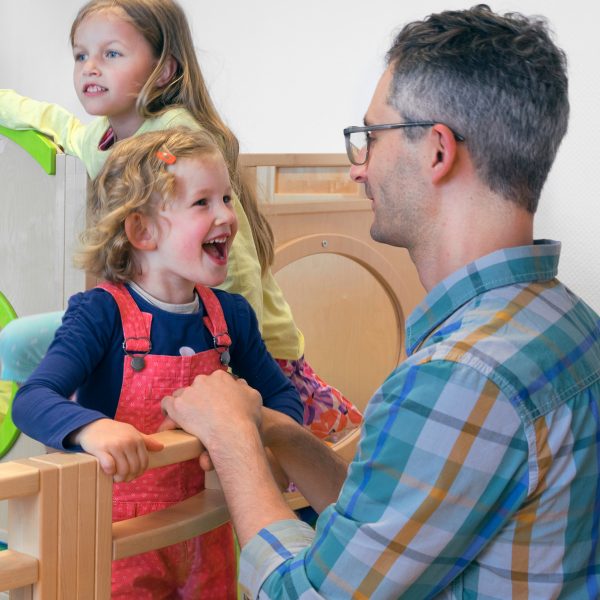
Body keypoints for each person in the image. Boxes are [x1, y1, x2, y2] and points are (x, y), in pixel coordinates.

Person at [160, 5, 600, 598]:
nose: (358, 170)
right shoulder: (570, 322)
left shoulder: (460, 375)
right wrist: (280, 433)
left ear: (437, 151)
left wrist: (234, 442)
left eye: (371, 137)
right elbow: (394, 525)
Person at [0, 0, 361, 441]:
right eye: (80, 55)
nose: (90, 67)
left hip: (245, 337)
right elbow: (58, 125)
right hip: (157, 314)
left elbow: (239, 264)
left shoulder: (180, 139)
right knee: (20, 343)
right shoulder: (102, 138)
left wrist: (227, 348)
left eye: (111, 53)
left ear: (163, 70)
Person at [12, 127, 304, 598]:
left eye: (226, 198)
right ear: (142, 231)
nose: (227, 216)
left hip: (208, 529)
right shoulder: (100, 313)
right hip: (121, 540)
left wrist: (266, 448)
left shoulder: (232, 315)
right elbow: (31, 400)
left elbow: (282, 397)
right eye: (202, 202)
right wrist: (91, 429)